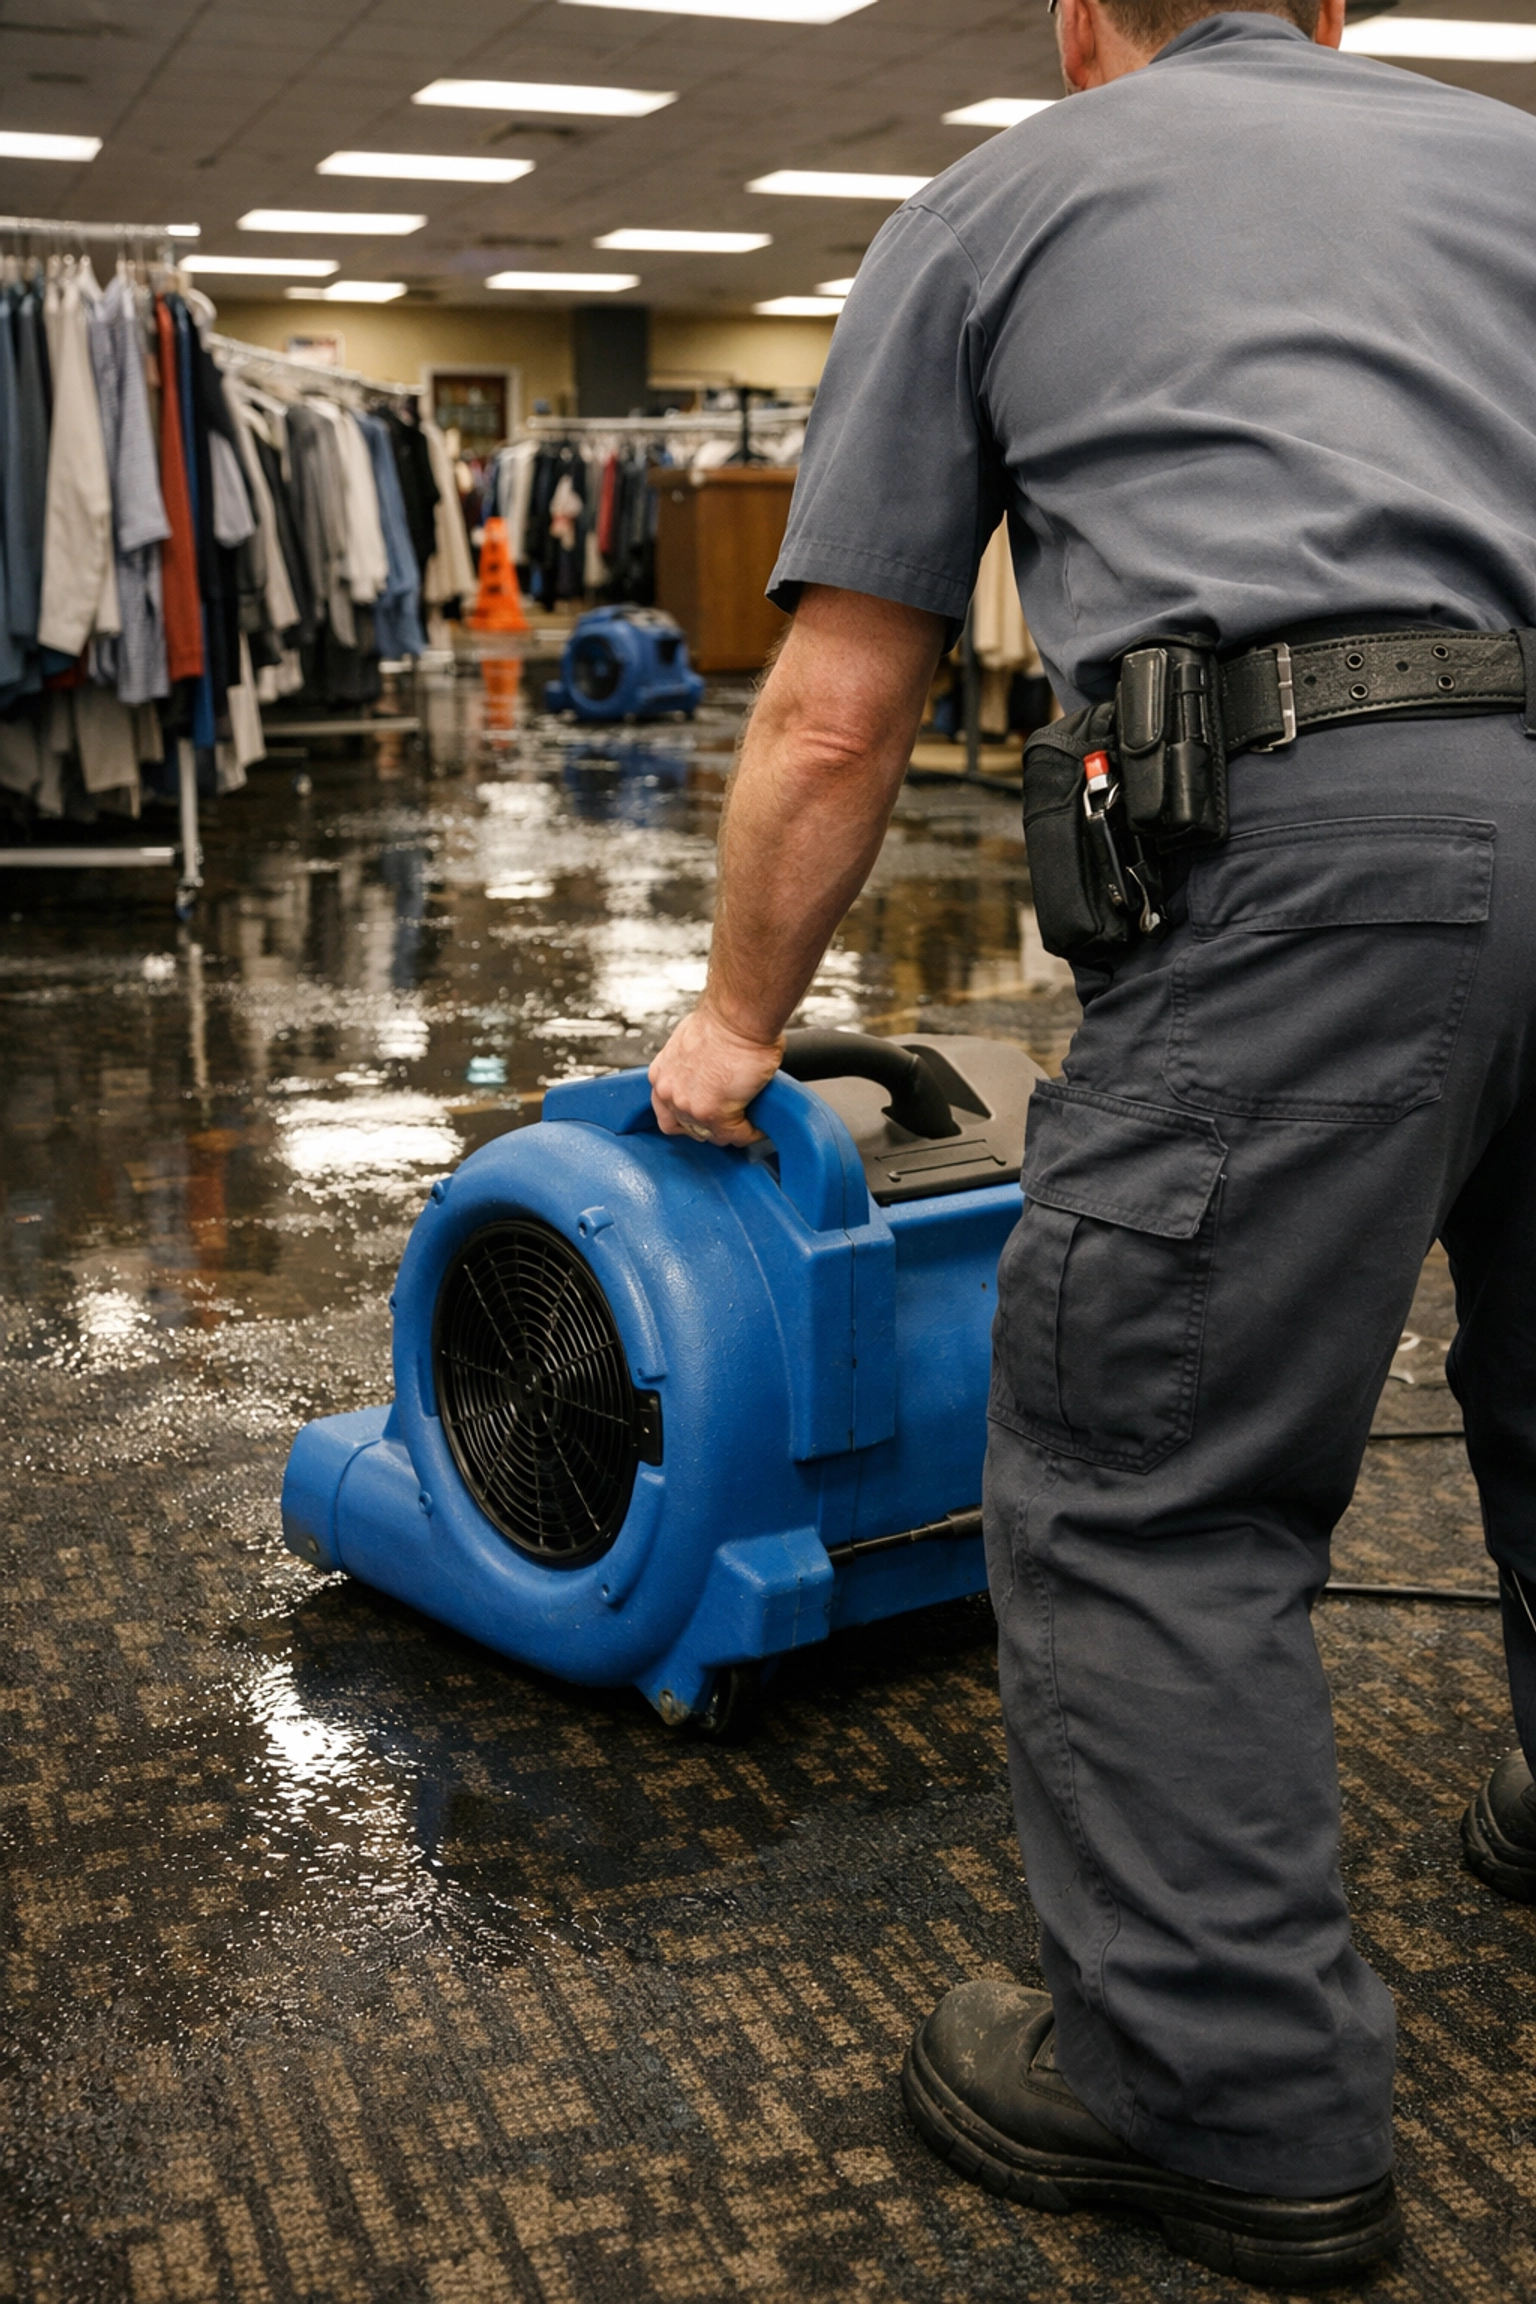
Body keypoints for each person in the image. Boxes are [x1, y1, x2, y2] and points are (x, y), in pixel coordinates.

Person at [648, 0, 1536, 2284]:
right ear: (1336, 10)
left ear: (1078, 26)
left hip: (1307, 859)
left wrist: (739, 1028)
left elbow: (846, 708)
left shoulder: (1001, 200)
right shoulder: (1514, 165)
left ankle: (1225, 2091)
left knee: (1149, 1458)